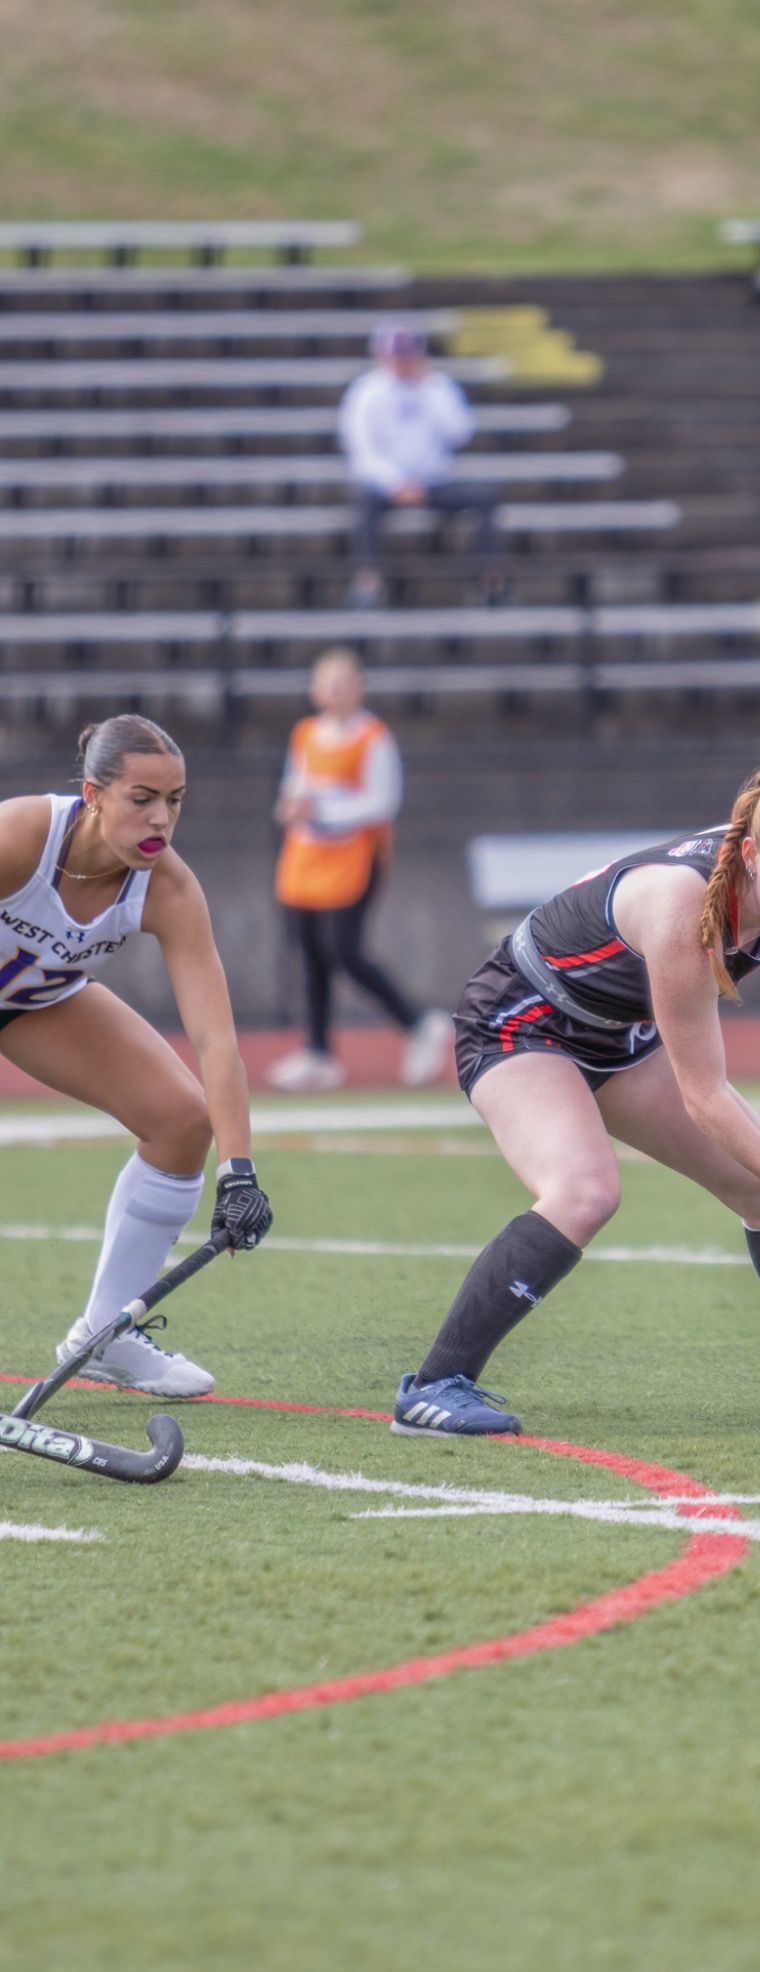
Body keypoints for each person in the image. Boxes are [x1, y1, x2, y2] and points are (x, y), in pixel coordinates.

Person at [388, 757, 760, 1437]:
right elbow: (704, 1095)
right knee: (585, 1190)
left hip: (615, 1035)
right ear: (749, 856)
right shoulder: (682, 910)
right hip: (519, 1022)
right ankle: (433, 1387)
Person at [0, 715, 272, 1397]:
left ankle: (104, 1338)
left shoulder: (170, 889)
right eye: (141, 798)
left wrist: (238, 1170)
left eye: (175, 800)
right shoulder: (19, 839)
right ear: (94, 795)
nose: (162, 818)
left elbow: (216, 1039)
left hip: (33, 1001)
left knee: (182, 1120)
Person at [267, 648, 453, 1092]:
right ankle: (318, 1052)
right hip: (306, 858)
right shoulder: (306, 733)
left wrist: (327, 810)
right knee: (311, 952)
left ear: (358, 688)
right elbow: (294, 783)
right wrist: (293, 805)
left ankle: (418, 1023)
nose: (334, 691)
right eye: (327, 682)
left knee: (345, 950)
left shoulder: (373, 737)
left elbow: (382, 802)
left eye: (343, 682)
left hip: (352, 859)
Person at [337, 319, 507, 611]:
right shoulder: (365, 393)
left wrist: (430, 389)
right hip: (387, 486)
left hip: (433, 483)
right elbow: (362, 451)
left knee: (486, 497)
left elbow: (460, 432)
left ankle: (491, 584)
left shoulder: (439, 387)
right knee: (364, 501)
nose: (403, 363)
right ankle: (368, 584)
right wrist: (395, 483)